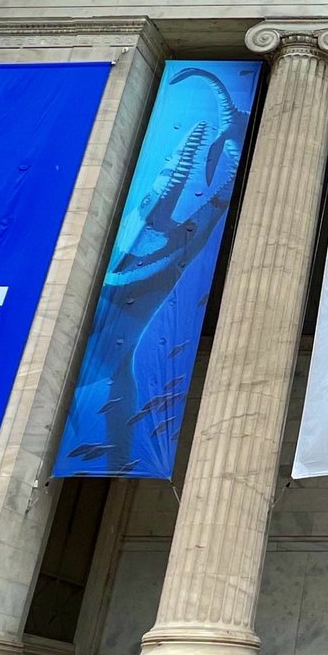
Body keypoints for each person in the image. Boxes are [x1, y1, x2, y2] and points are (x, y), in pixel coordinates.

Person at [59, 67, 247, 474]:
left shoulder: (116, 364)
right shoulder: (113, 368)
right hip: (130, 300)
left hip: (140, 294)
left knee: (178, 224)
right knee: (164, 218)